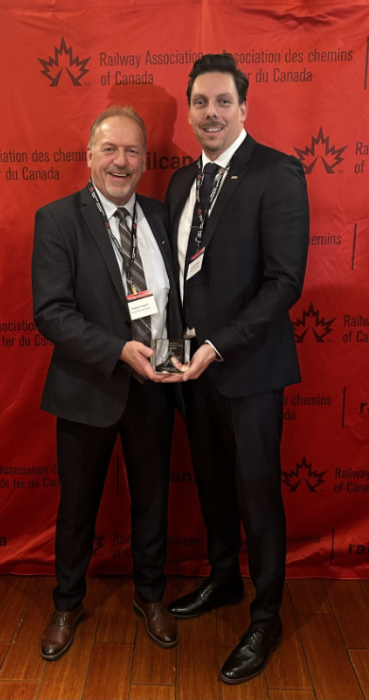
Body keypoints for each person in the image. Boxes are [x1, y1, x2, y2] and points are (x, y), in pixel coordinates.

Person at [163, 53, 309, 684]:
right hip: (190, 375)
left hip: (247, 371)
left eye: (223, 102)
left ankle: (267, 614)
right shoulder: (179, 184)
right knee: (214, 488)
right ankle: (223, 580)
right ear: (190, 110)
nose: (211, 113)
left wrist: (217, 346)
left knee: (257, 496)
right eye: (200, 102)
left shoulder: (277, 173)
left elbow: (283, 284)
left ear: (244, 109)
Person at [31, 106, 182, 661]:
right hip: (87, 387)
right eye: (110, 149)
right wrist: (117, 349)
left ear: (145, 160)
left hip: (155, 391)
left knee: (152, 501)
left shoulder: (161, 217)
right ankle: (67, 604)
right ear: (89, 154)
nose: (122, 161)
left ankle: (151, 596)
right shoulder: (57, 219)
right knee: (77, 509)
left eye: (132, 152)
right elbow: (51, 312)